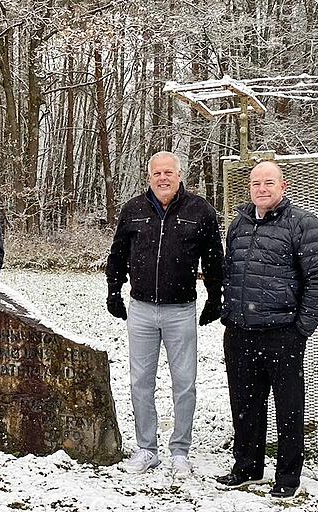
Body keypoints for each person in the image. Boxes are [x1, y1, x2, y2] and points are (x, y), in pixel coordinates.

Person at [216, 161, 318, 499]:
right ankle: (247, 468)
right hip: (240, 331)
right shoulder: (238, 223)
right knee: (245, 404)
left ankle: (287, 477)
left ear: (283, 185)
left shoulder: (303, 224)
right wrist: (229, 312)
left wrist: (301, 328)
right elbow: (232, 271)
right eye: (256, 183)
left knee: (288, 406)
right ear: (249, 187)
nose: (262, 188)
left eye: (269, 182)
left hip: (282, 333)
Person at [105, 151, 223, 477]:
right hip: (141, 310)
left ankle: (180, 451)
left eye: (168, 172)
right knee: (141, 382)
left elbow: (214, 258)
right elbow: (117, 256)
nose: (163, 178)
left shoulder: (199, 211)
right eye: (156, 173)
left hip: (180, 311)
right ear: (149, 177)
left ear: (179, 174)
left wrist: (215, 297)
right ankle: (147, 450)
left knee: (184, 383)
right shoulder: (133, 211)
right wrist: (114, 290)